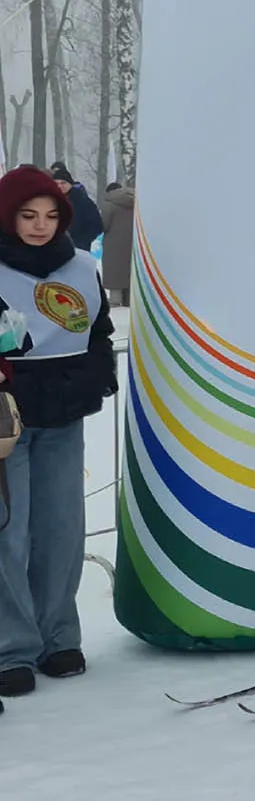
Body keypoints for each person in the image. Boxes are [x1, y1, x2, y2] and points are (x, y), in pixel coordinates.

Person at [0, 168, 116, 697]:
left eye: (50, 215)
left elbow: (98, 331)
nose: (40, 225)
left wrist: (97, 378)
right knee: (8, 532)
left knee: (61, 529)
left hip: (63, 415)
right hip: (7, 418)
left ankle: (57, 636)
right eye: (28, 215)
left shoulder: (80, 267)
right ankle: (11, 647)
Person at [46, 163, 102, 252]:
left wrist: (82, 242)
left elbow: (96, 225)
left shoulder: (82, 200)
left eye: (63, 183)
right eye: (56, 183)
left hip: (78, 249)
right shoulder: (47, 201)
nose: (59, 186)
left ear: (70, 184)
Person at [98, 182, 135, 307]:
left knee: (115, 270)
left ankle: (115, 300)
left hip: (114, 244)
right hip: (133, 243)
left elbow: (104, 224)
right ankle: (129, 300)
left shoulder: (109, 204)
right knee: (129, 270)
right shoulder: (136, 201)